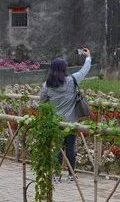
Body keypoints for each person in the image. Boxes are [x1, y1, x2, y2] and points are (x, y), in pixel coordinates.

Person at [39, 48, 92, 178]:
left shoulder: (47, 85)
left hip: (56, 122)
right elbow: (84, 71)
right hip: (71, 122)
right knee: (70, 148)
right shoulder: (72, 81)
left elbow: (42, 101)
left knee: (57, 148)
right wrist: (88, 57)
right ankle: (71, 175)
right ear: (64, 69)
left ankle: (56, 175)